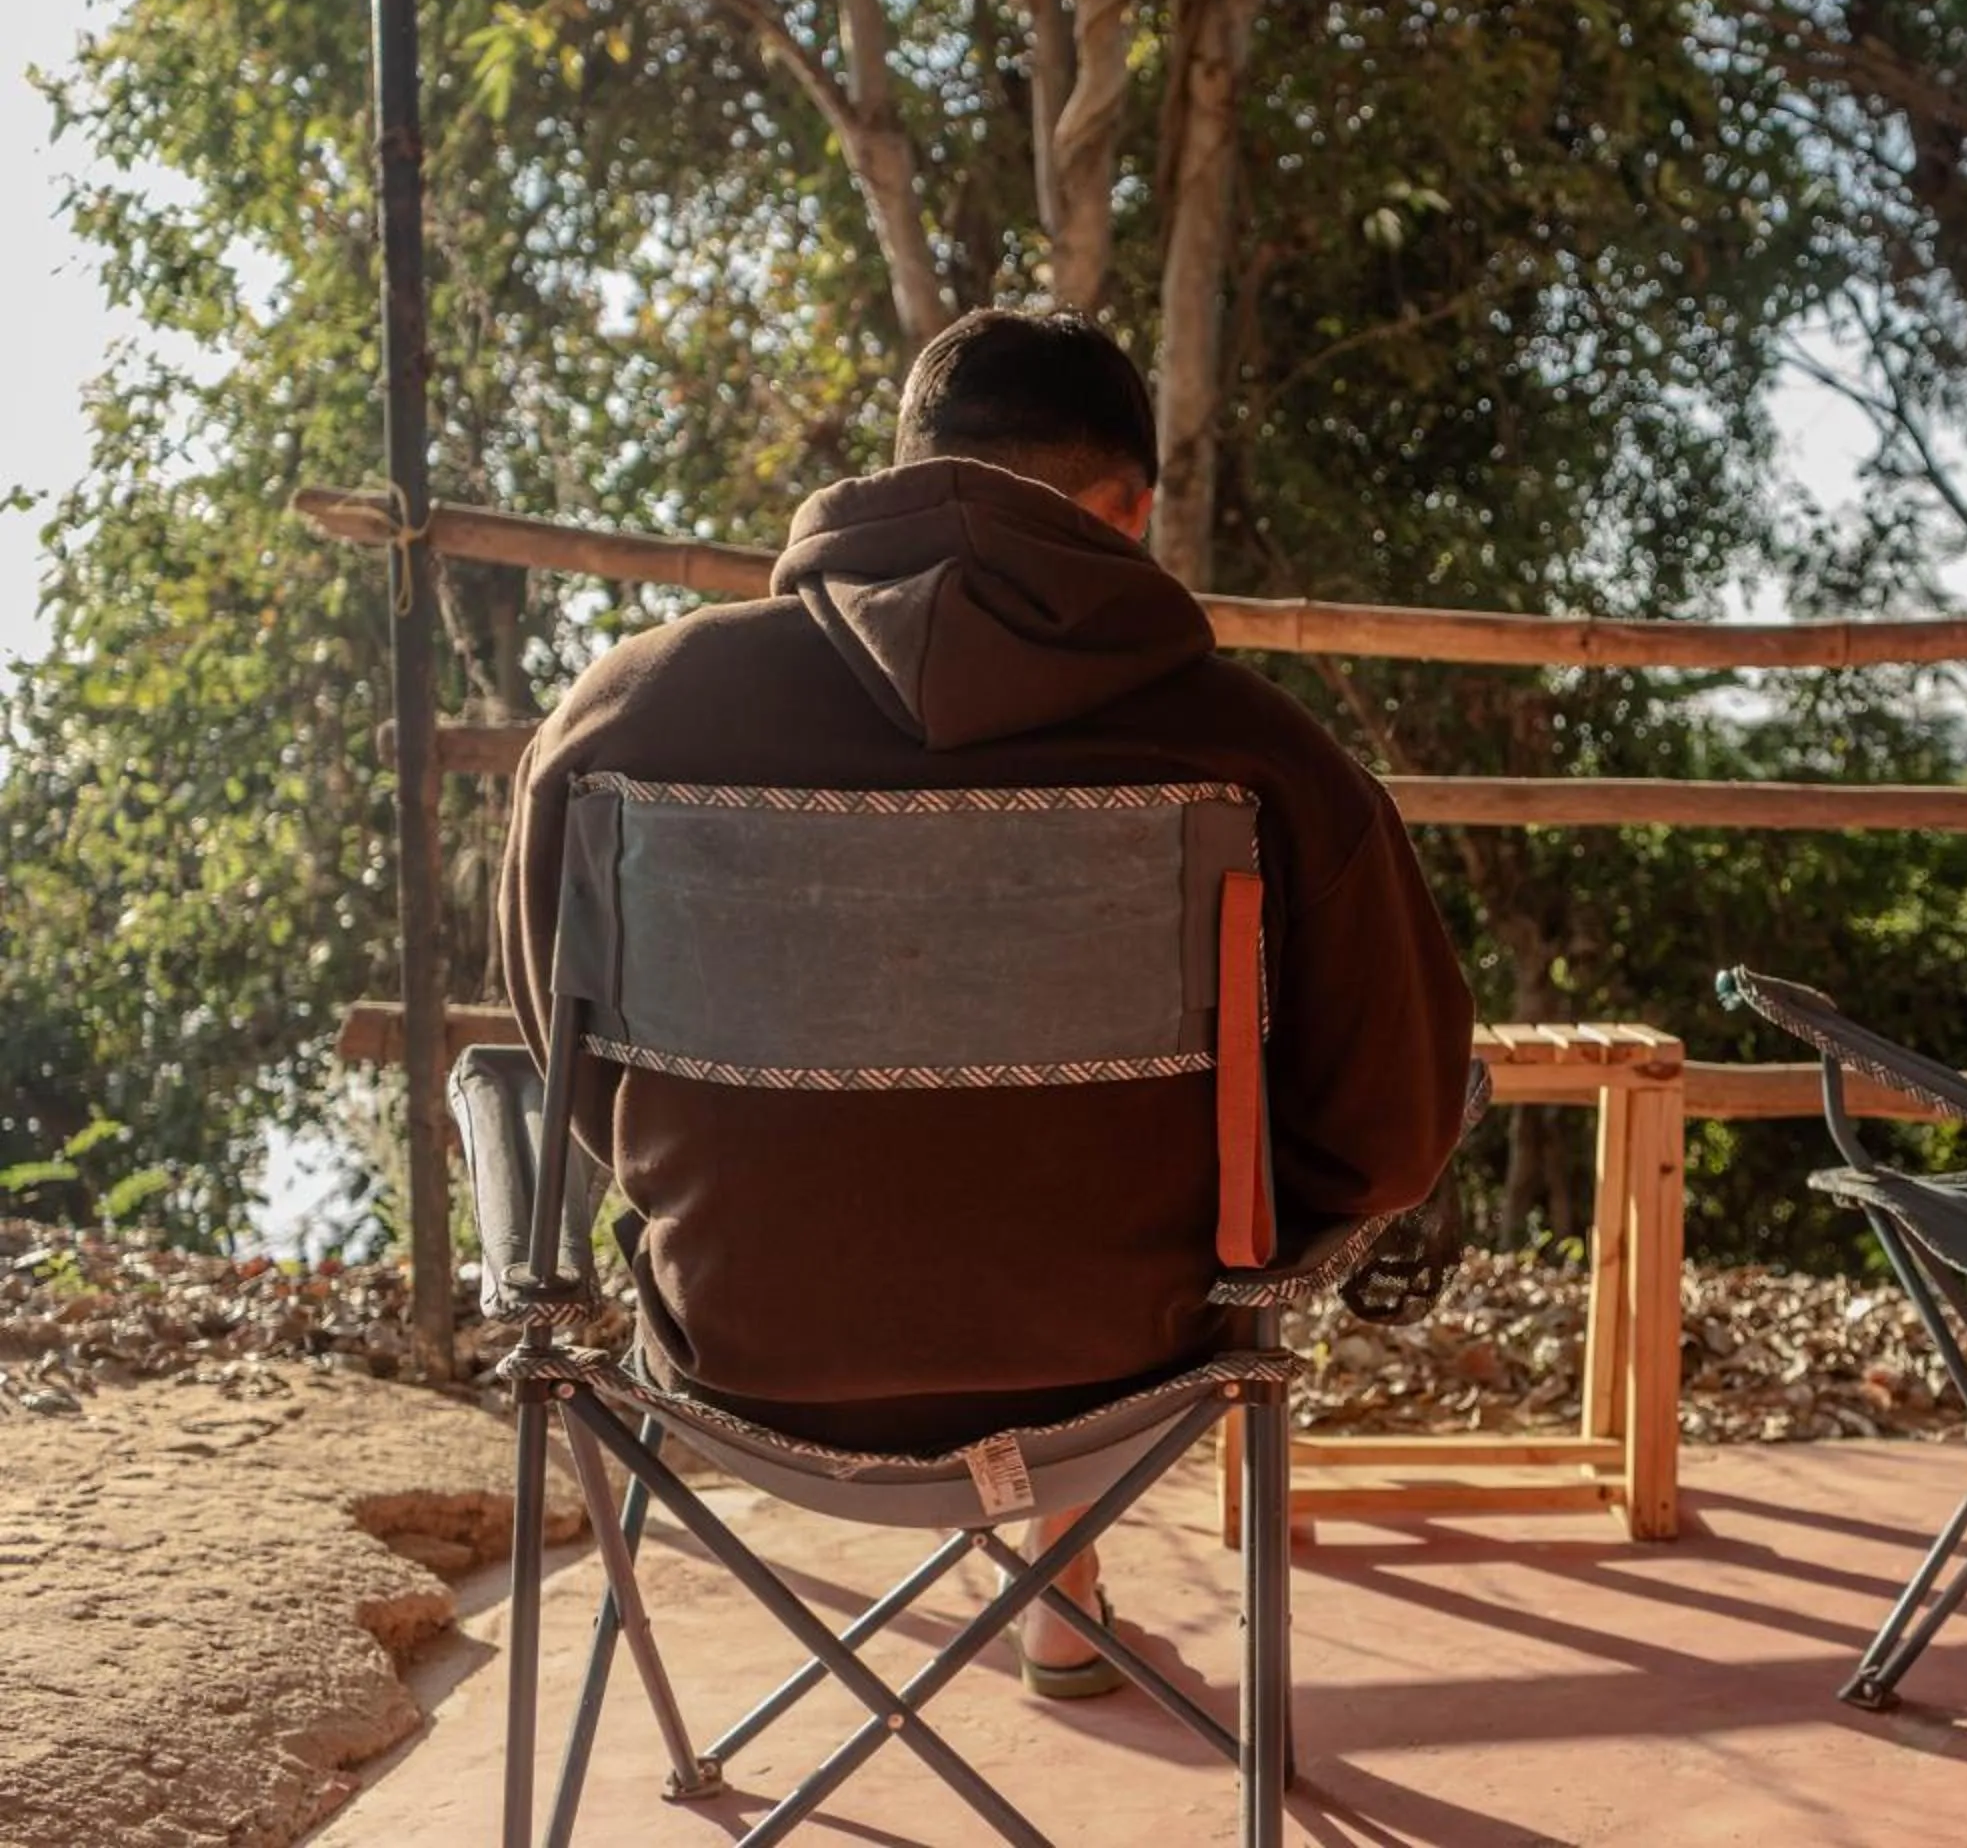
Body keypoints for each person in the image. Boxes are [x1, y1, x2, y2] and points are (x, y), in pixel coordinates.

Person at [499, 307, 1478, 1694]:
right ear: (1127, 512)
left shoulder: (630, 716)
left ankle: (1046, 1589)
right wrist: (1245, 1223)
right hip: (1126, 1376)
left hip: (742, 1363)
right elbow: (1389, 1135)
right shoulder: (1258, 753)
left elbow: (577, 1056)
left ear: (908, 470)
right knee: (1141, 1192)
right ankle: (1061, 1583)